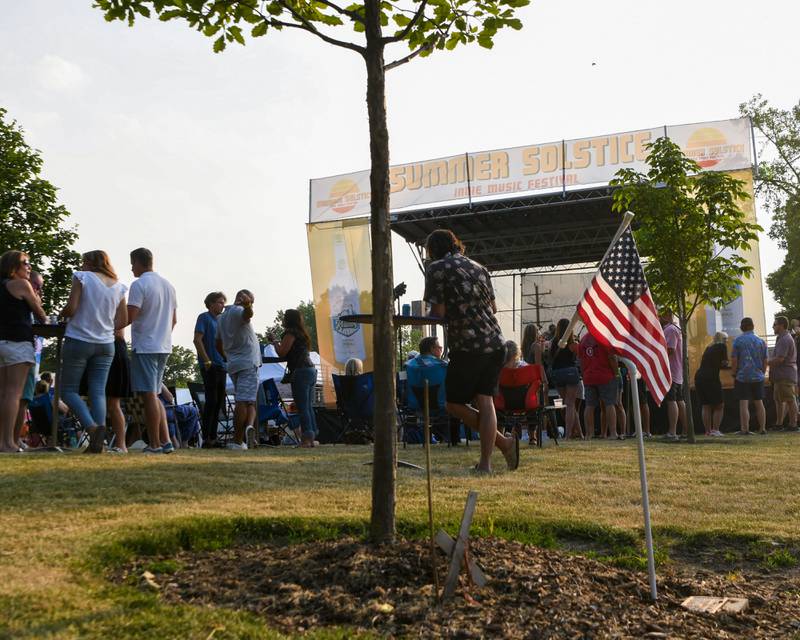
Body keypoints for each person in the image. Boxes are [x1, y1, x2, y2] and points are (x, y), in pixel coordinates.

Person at [423, 229, 518, 473]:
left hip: (468, 344)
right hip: (496, 343)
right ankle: (487, 463)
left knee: (453, 404)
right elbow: (493, 308)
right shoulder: (479, 267)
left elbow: (439, 313)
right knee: (485, 401)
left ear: (433, 250)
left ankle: (504, 443)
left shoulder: (436, 269)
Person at [60, 251, 128, 453]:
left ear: (89, 263)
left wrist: (60, 316)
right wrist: (104, 326)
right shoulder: (118, 286)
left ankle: (92, 428)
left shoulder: (82, 277)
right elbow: (123, 321)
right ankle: (100, 442)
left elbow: (72, 308)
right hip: (106, 344)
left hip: (79, 339)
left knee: (68, 391)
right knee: (98, 391)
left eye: (83, 262)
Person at [127, 247, 177, 454]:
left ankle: (155, 443)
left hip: (146, 346)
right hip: (163, 345)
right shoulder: (168, 286)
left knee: (148, 396)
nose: (131, 268)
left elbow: (130, 316)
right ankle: (166, 441)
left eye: (132, 264)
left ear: (139, 262)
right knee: (155, 395)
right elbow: (174, 320)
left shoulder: (139, 285)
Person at [0, 251, 47, 452]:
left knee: (3, 394)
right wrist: (37, 299)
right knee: (14, 394)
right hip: (18, 342)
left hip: (2, 342)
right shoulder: (21, 285)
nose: (29, 267)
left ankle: (2, 441)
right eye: (25, 263)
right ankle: (7, 442)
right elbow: (41, 315)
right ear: (13, 266)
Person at [217, 289, 260, 449]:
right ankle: (237, 441)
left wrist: (228, 357)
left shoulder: (221, 318)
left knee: (249, 400)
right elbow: (248, 315)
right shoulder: (239, 311)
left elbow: (217, 343)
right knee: (243, 401)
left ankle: (249, 428)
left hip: (234, 364)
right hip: (248, 362)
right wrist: (248, 305)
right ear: (242, 298)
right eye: (251, 300)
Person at [274, 308, 318, 448]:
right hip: (311, 370)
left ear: (288, 319)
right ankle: (312, 437)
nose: (282, 320)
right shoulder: (302, 334)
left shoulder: (290, 333)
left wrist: (274, 342)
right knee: (308, 407)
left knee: (302, 407)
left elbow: (282, 352)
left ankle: (306, 439)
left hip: (300, 372)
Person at [14, 270, 44, 450]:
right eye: (37, 286)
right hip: (21, 353)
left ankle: (14, 438)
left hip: (27, 353)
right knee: (18, 397)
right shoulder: (22, 303)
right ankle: (10, 438)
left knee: (23, 399)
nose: (38, 291)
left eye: (41, 288)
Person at [193, 291, 227, 447]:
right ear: (211, 303)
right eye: (220, 302)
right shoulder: (204, 317)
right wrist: (207, 361)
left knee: (219, 402)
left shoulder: (221, 320)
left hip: (222, 365)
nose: (222, 305)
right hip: (210, 365)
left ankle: (214, 437)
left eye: (223, 302)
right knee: (211, 401)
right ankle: (207, 438)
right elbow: (197, 340)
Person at [730, 316, 767, 435]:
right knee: (759, 402)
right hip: (758, 375)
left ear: (741, 327)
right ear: (753, 326)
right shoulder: (761, 341)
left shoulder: (738, 341)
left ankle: (745, 429)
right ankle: (762, 428)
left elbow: (734, 359)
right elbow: (765, 359)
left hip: (743, 376)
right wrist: (763, 371)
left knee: (743, 403)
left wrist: (733, 372)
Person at [579, 331, 618, 440]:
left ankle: (589, 434)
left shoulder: (583, 340)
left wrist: (585, 373)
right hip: (605, 375)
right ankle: (613, 433)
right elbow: (612, 357)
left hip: (589, 376)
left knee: (589, 406)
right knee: (609, 404)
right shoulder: (604, 337)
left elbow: (581, 360)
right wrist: (616, 373)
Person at [548, 318, 581, 441]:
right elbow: (580, 359)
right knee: (571, 404)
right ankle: (568, 435)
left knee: (567, 404)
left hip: (557, 374)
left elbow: (548, 357)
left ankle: (579, 433)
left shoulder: (552, 343)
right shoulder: (574, 344)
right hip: (571, 373)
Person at [659, 308, 687, 440]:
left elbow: (670, 349)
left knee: (672, 400)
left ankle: (672, 431)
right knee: (679, 400)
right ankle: (686, 430)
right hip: (676, 371)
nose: (658, 317)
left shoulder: (670, 329)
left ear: (668, 315)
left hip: (671, 370)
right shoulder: (674, 329)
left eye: (661, 314)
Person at [694, 331, 729, 437]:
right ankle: (716, 430)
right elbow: (724, 363)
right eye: (726, 339)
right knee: (719, 405)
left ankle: (708, 431)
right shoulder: (722, 346)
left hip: (699, 377)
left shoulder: (709, 347)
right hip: (711, 378)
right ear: (723, 339)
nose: (726, 342)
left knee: (706, 405)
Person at [769, 316, 797, 432]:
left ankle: (793, 424)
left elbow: (780, 359)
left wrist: (766, 362)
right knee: (779, 400)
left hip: (785, 374)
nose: (773, 327)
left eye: (774, 324)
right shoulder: (782, 338)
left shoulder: (785, 339)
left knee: (790, 400)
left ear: (781, 325)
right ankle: (779, 423)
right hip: (780, 375)